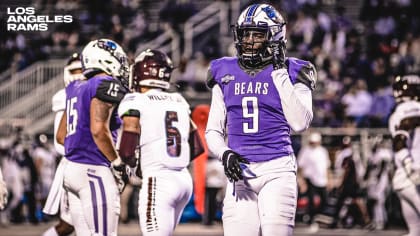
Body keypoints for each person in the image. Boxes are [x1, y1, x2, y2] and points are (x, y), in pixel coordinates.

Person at [205, 3, 316, 236]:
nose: (249, 41)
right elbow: (213, 130)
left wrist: (279, 73)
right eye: (246, 34)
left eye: (258, 34)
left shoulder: (295, 70)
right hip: (240, 174)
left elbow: (300, 123)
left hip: (277, 170)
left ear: (275, 36)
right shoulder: (224, 70)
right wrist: (225, 153)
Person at [117, 49, 204, 235]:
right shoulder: (178, 100)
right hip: (183, 181)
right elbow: (197, 147)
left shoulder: (135, 100)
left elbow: (126, 150)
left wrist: (135, 166)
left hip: (159, 180)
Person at [56, 38, 130, 236]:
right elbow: (99, 130)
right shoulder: (104, 83)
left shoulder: (75, 87)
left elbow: (61, 135)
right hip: (94, 171)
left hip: (72, 170)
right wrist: (117, 163)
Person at [42, 52, 85, 236]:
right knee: (69, 225)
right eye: (74, 70)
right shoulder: (64, 95)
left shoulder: (88, 92)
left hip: (85, 164)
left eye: (81, 70)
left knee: (83, 223)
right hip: (74, 164)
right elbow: (60, 142)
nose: (77, 74)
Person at [388, 74, 420, 236]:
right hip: (414, 173)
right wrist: (409, 165)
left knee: (415, 231)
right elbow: (400, 138)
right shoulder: (411, 109)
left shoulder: (397, 112)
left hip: (402, 177)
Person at [297, 132, 330, 231]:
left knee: (325, 200)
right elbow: (301, 167)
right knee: (311, 201)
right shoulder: (305, 151)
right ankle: (311, 220)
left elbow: (326, 166)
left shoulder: (323, 151)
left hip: (321, 179)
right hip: (310, 179)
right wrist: (302, 181)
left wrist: (329, 179)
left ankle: (315, 216)